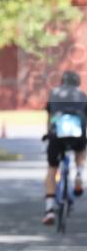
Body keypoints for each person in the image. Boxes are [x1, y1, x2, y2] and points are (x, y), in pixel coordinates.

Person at [42, 70, 87, 225]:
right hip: (77, 135)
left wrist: (48, 133)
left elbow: (49, 116)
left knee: (52, 169)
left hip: (57, 136)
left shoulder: (54, 93)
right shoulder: (81, 95)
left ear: (63, 81)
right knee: (80, 152)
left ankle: (49, 210)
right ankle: (79, 174)